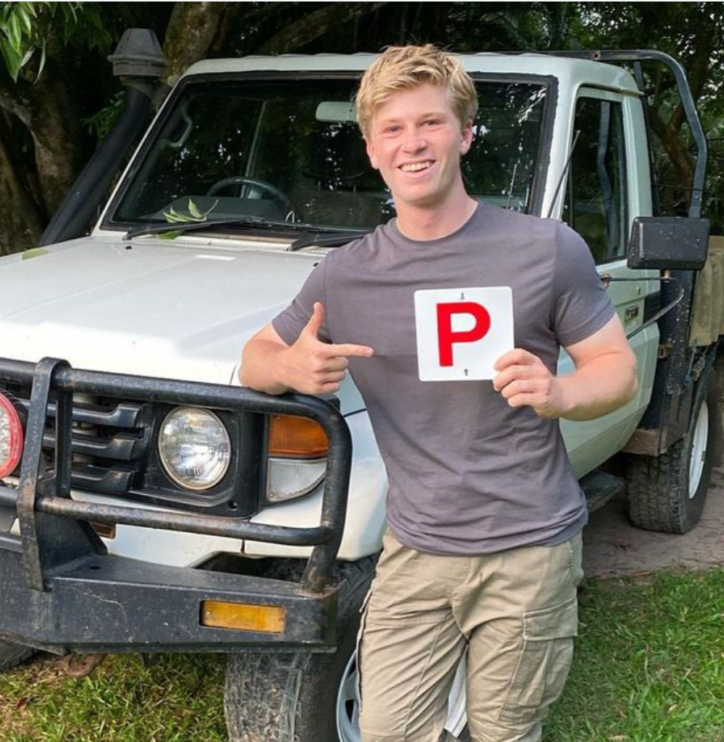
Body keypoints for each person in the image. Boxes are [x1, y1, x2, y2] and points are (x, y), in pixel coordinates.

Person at [238, 45, 638, 742]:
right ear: (370, 149)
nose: (412, 143)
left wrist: (559, 393)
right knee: (389, 731)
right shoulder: (346, 275)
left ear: (465, 134)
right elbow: (256, 358)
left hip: (528, 550)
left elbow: (615, 366)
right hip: (415, 550)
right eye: (392, 129)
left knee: (504, 733)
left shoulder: (546, 249)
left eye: (429, 123)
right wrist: (292, 370)